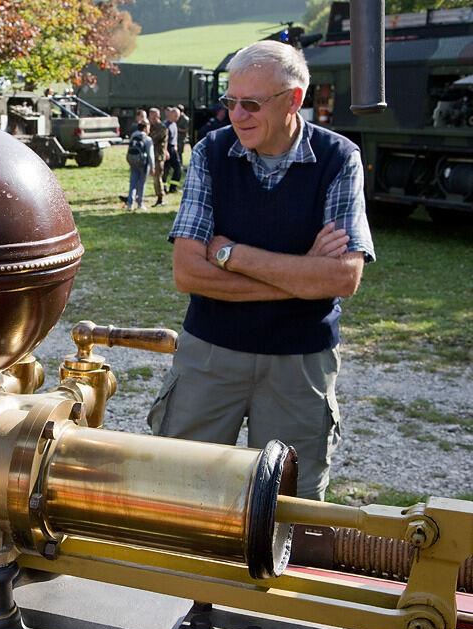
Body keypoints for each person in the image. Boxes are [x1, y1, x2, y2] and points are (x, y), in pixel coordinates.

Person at [146, 40, 375, 501]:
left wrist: (234, 254)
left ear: (294, 100)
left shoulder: (339, 158)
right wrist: (302, 274)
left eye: (251, 103)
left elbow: (342, 279)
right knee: (180, 491)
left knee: (291, 507)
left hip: (299, 364)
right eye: (231, 101)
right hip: (210, 354)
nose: (238, 115)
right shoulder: (212, 151)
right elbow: (188, 274)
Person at [124, 119, 154, 211]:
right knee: (141, 184)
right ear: (145, 128)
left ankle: (130, 204)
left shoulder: (133, 136)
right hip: (143, 163)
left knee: (132, 183)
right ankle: (140, 204)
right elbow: (150, 154)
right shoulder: (148, 139)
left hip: (133, 161)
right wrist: (152, 167)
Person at [147, 107, 168, 207]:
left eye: (154, 117)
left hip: (158, 155)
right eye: (151, 117)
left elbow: (153, 139)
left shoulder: (162, 127)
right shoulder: (150, 126)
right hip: (150, 154)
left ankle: (160, 198)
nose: (152, 119)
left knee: (157, 177)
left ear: (158, 116)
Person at [164, 107, 183, 193]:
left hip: (173, 148)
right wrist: (165, 151)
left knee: (178, 169)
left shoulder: (174, 125)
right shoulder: (165, 125)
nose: (177, 118)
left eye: (178, 116)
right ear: (170, 115)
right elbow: (164, 140)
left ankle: (173, 187)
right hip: (167, 148)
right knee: (165, 169)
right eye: (175, 116)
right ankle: (163, 187)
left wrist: (175, 146)